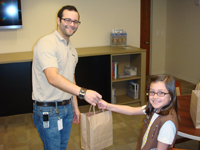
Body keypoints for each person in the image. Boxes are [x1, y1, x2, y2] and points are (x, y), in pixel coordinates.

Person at [32, 5, 102, 150]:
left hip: (67, 108)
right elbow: (52, 77)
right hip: (49, 111)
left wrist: (75, 107)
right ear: (58, 20)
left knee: (62, 147)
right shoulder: (47, 43)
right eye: (67, 20)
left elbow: (71, 80)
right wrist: (83, 92)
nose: (72, 24)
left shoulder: (72, 49)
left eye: (75, 21)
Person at [98, 74, 178, 150]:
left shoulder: (167, 124)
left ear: (171, 96)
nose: (155, 97)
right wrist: (107, 105)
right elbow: (130, 110)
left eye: (161, 93)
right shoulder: (154, 109)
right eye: (152, 92)